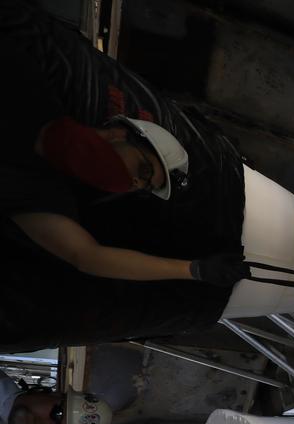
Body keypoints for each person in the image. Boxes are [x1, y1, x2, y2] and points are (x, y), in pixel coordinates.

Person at [1, 15, 249, 352]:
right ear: (121, 133)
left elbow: (87, 256)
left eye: (141, 185)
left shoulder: (39, 193)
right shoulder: (28, 77)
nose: (132, 180)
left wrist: (194, 270)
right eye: (144, 169)